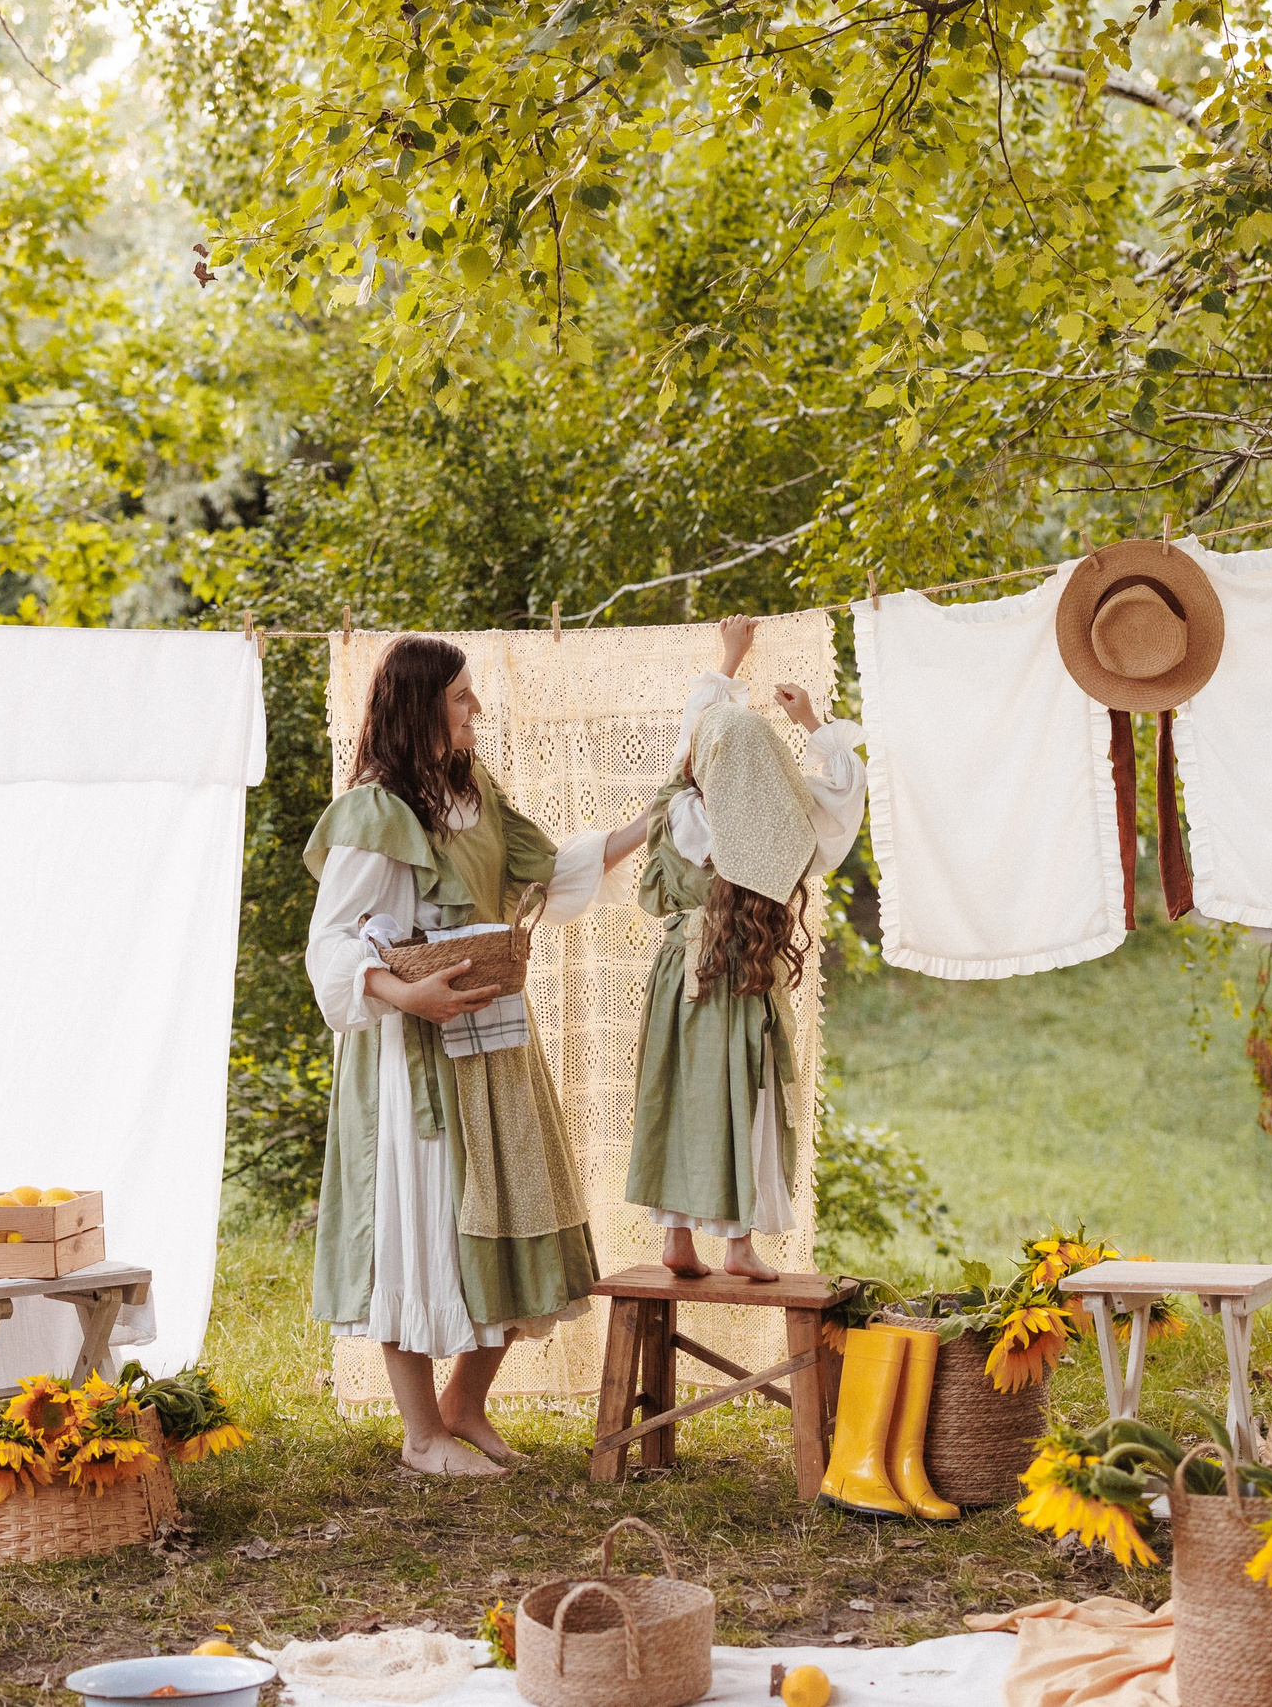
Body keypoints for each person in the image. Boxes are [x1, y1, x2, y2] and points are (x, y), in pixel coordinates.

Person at [303, 636, 647, 1476]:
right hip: (409, 1053)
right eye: (461, 697)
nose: (476, 711)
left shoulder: (473, 791)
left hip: (489, 1039)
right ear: (421, 705)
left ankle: (465, 1403)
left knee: (516, 1203)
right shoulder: (374, 810)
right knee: (418, 1223)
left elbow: (548, 869)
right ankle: (422, 1437)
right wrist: (404, 993)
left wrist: (655, 817)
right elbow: (329, 943)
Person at [624, 616, 866, 1283]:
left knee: (679, 1093)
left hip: (680, 972)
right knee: (742, 1096)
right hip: (731, 972)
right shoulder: (771, 828)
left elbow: (698, 735)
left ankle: (676, 1236)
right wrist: (813, 725)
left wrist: (730, 662)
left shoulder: (682, 808)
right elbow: (842, 796)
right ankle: (735, 1245)